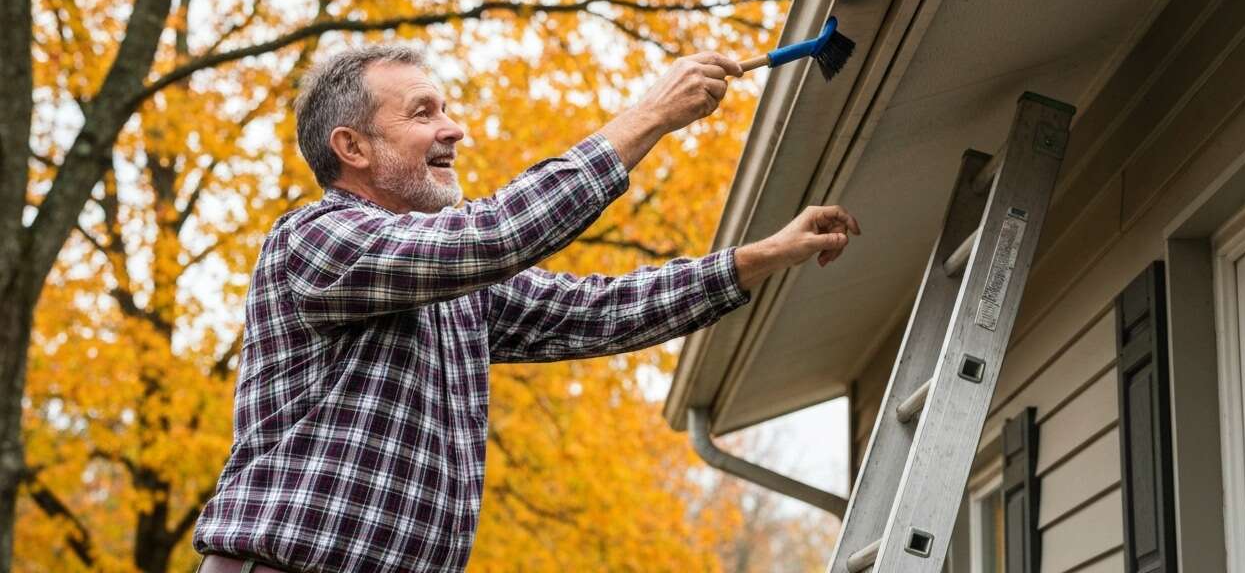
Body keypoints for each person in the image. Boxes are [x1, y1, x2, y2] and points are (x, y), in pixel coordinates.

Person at [191, 44, 861, 572]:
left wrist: (763, 255)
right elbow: (495, 236)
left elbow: (598, 311)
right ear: (353, 148)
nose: (453, 129)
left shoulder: (457, 291)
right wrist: (649, 116)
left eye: (446, 110)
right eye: (423, 114)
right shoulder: (314, 242)